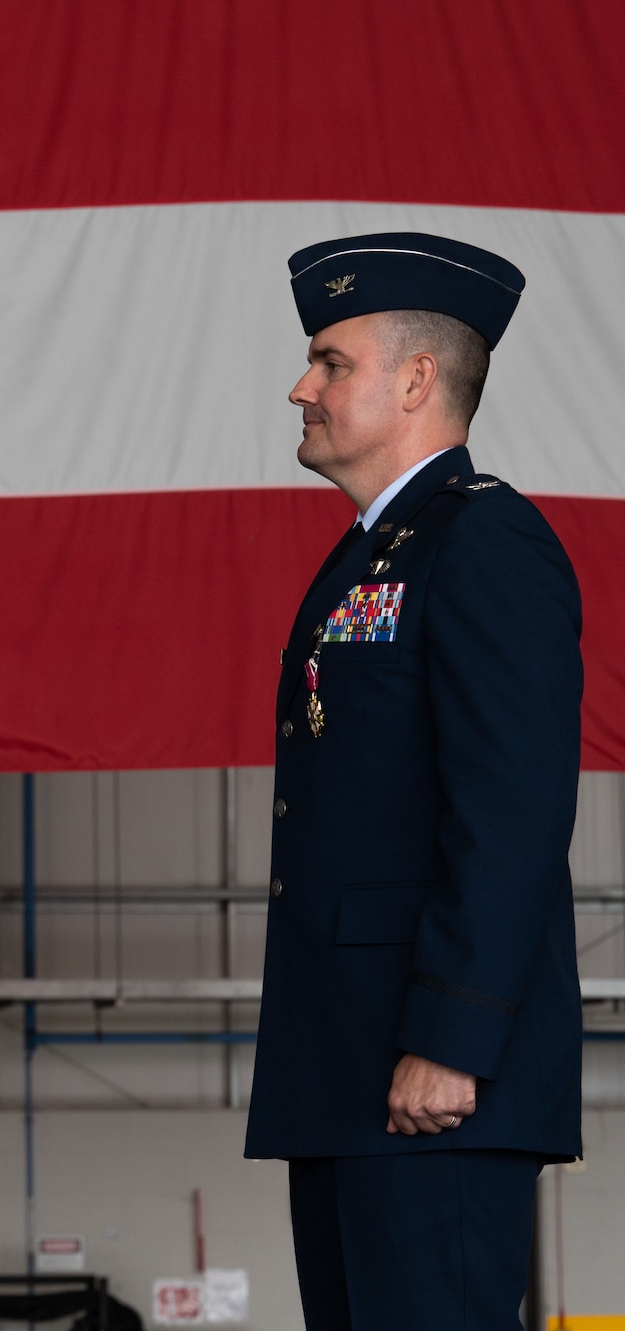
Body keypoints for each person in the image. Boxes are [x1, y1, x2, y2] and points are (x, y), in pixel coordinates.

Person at [245, 232, 583, 1325]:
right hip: (348, 1065)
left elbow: (511, 807)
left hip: (433, 1076)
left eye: (328, 360)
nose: (300, 386)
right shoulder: (368, 553)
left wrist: (451, 1032)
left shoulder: (482, 542)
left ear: (414, 379)